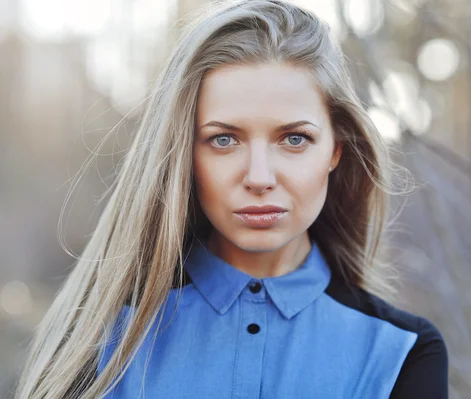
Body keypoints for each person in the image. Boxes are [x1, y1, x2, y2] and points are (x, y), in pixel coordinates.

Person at [15, 0, 448, 398]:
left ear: (336, 149)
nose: (259, 178)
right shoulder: (100, 338)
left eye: (294, 138)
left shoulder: (403, 353)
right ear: (184, 152)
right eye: (223, 139)